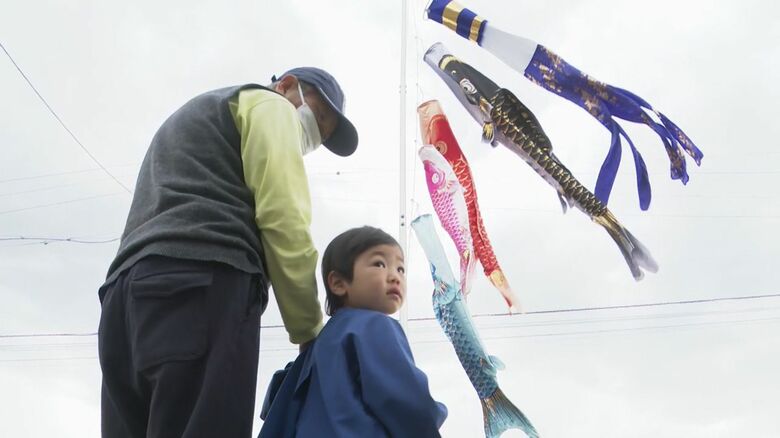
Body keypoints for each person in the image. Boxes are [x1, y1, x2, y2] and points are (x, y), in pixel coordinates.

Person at [97, 67, 358, 438]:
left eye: (323, 136)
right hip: (201, 287)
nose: (313, 137)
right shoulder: (271, 106)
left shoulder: (198, 116)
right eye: (317, 118)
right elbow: (284, 216)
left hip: (122, 304)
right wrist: (309, 332)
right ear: (286, 86)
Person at [259, 226, 448, 437]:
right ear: (338, 283)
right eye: (379, 264)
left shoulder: (316, 348)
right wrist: (432, 417)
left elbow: (278, 403)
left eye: (400, 269)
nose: (395, 276)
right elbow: (404, 400)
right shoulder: (374, 326)